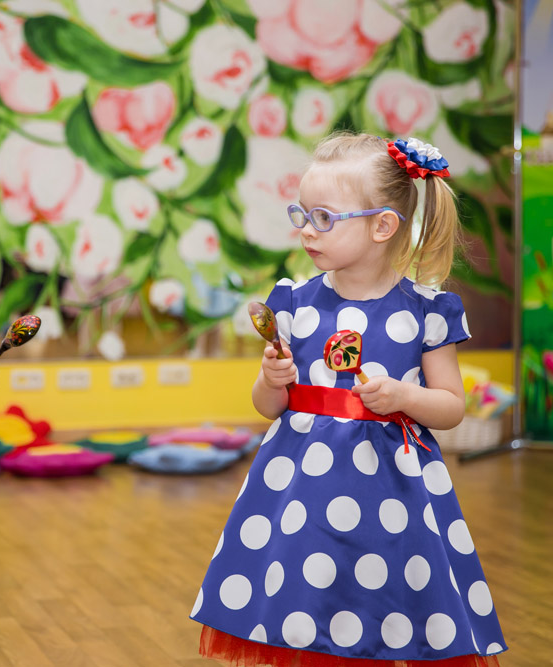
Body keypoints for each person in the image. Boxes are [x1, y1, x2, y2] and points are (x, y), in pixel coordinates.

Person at [191, 132, 507, 666]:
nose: (306, 231)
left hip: (393, 494)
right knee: (306, 605)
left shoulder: (429, 311)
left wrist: (407, 396)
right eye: (302, 214)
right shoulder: (293, 303)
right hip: (299, 493)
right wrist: (272, 379)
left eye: (324, 218)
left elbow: (452, 408)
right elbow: (267, 408)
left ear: (383, 226)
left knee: (379, 601)